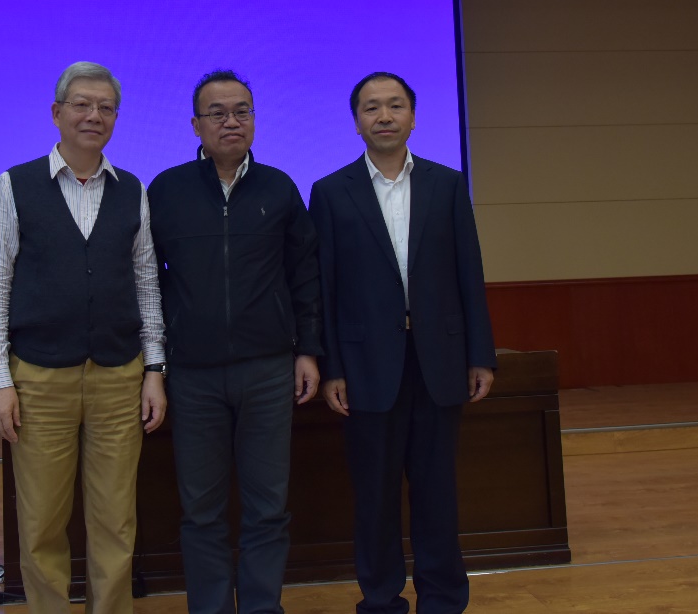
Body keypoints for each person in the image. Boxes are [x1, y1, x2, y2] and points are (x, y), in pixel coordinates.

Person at [0, 61, 167, 614]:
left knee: (115, 519)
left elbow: (146, 284)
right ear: (57, 113)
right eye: (82, 104)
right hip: (38, 378)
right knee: (41, 522)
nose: (94, 116)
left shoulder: (132, 189)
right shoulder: (13, 185)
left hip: (119, 375)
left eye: (106, 107)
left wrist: (154, 369)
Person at [309, 72, 497, 614]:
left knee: (437, 492)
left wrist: (480, 355)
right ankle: (381, 599)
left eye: (395, 106)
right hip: (365, 366)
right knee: (375, 494)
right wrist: (332, 366)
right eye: (372, 107)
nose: (384, 116)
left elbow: (469, 274)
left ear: (413, 117)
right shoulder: (330, 192)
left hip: (439, 361)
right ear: (356, 122)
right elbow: (325, 288)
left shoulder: (446, 184)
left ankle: (443, 599)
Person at [147, 70, 322, 614]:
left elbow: (305, 276)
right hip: (192, 374)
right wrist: (156, 363)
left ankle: (263, 606)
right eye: (217, 113)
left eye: (242, 111)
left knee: (268, 507)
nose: (231, 122)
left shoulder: (279, 188)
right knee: (201, 511)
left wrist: (308, 349)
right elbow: (146, 281)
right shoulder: (166, 190)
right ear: (195, 125)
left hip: (268, 370)